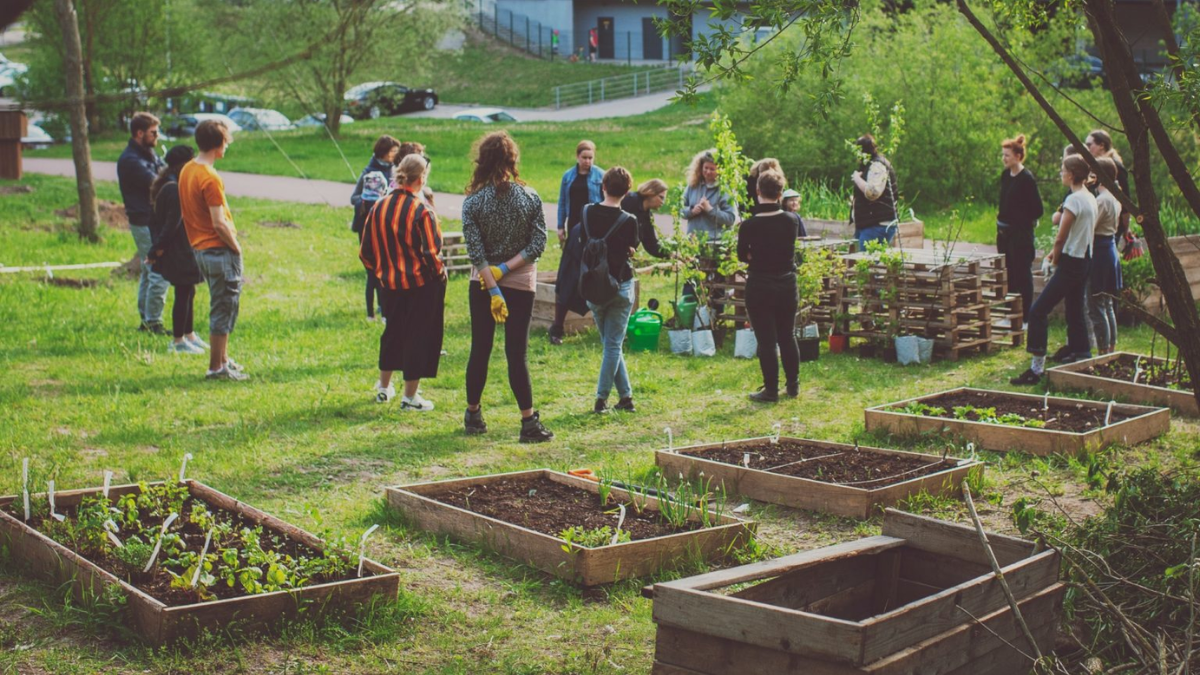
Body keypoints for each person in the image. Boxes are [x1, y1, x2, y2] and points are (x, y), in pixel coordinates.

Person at [461, 131, 554, 443]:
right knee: (517, 353)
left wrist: (493, 284)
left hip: (483, 283)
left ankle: (473, 414)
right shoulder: (530, 197)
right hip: (520, 283)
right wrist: (508, 269)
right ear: (513, 160)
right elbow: (538, 242)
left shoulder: (472, 202)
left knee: (480, 348)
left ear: (482, 161)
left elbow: (475, 252)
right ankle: (529, 423)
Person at [359, 154, 445, 410]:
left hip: (389, 285)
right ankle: (410, 397)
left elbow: (365, 251)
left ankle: (383, 388)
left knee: (392, 333)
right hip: (420, 285)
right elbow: (431, 253)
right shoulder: (422, 210)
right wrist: (439, 273)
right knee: (417, 336)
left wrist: (382, 272)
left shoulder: (379, 206)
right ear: (420, 180)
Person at [1011, 154, 1097, 385]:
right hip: (1084, 259)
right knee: (1075, 309)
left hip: (1070, 262)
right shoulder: (1089, 197)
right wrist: (1052, 255)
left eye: (1062, 170)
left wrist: (1055, 259)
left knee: (1038, 311)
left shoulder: (1073, 200)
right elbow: (1078, 235)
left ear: (1070, 174)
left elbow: (1061, 237)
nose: (1060, 173)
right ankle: (1082, 355)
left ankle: (1036, 370)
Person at [179, 119, 247, 381]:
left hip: (200, 250)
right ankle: (216, 368)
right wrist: (236, 246)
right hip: (218, 250)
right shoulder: (209, 177)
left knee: (224, 304)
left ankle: (224, 359)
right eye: (226, 140)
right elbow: (219, 222)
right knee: (223, 307)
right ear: (219, 144)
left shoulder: (188, 169)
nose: (227, 145)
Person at [578, 167, 641, 414]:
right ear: (627, 192)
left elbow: (582, 240)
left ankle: (626, 397)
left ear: (602, 186)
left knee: (609, 344)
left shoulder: (586, 212)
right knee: (613, 345)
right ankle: (601, 399)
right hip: (620, 285)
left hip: (593, 286)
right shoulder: (629, 220)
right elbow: (631, 247)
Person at [737, 170, 803, 403]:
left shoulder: (749, 225)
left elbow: (742, 256)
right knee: (787, 334)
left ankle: (771, 390)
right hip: (786, 282)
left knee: (766, 340)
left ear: (757, 191)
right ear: (780, 193)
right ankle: (793, 385)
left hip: (760, 283)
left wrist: (755, 255)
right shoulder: (792, 220)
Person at [146, 145, 207, 355]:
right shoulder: (173, 189)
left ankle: (189, 334)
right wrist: (156, 250)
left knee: (189, 291)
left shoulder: (175, 185)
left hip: (185, 248)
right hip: (178, 251)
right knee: (183, 293)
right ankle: (178, 340)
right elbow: (170, 224)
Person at [118, 112, 170, 334]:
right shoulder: (131, 160)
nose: (157, 136)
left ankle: (147, 320)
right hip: (144, 220)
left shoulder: (148, 154)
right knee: (158, 268)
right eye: (153, 132)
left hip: (151, 220)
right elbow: (157, 182)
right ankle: (153, 322)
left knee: (149, 270)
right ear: (140, 133)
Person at [550, 140, 604, 344]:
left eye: (591, 158)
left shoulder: (601, 176)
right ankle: (557, 327)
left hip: (593, 232)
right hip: (573, 230)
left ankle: (600, 326)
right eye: (584, 158)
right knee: (568, 275)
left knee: (593, 275)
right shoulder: (568, 176)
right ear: (577, 157)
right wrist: (560, 226)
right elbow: (563, 202)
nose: (587, 162)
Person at [350, 135, 400, 321]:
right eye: (392, 152)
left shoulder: (394, 170)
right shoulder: (369, 172)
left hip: (387, 226)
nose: (395, 155)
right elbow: (353, 198)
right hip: (367, 228)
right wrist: (365, 202)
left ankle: (383, 306)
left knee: (385, 268)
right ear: (383, 152)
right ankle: (374, 310)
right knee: (373, 271)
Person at [996, 134, 1044, 321]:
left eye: (1007, 155)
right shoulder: (1005, 175)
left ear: (1017, 156)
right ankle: (1010, 314)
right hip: (1004, 233)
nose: (1004, 159)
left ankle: (1025, 317)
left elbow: (1037, 210)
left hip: (1021, 235)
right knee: (1008, 274)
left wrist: (1020, 221)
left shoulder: (1027, 179)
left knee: (1022, 273)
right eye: (1003, 155)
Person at [1088, 157, 1122, 355]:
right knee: (1107, 303)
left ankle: (1103, 350)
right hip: (1109, 248)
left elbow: (1091, 227)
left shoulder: (1102, 200)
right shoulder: (1114, 196)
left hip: (1101, 250)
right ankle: (1110, 347)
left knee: (1097, 303)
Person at [849, 134, 900, 250]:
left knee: (866, 264)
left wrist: (856, 178)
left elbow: (873, 192)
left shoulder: (877, 165)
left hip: (876, 225)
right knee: (859, 264)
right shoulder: (870, 165)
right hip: (869, 224)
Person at [681, 149, 737, 241]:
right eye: (706, 168)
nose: (708, 172)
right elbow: (680, 210)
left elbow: (730, 219)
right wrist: (691, 210)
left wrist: (710, 210)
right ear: (700, 167)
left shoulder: (725, 189)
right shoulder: (693, 185)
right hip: (692, 240)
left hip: (715, 242)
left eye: (712, 169)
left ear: (721, 170)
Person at [620, 178, 671, 259]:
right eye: (661, 197)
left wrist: (670, 253)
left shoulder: (647, 215)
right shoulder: (629, 200)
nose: (663, 202)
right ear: (651, 192)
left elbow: (651, 244)